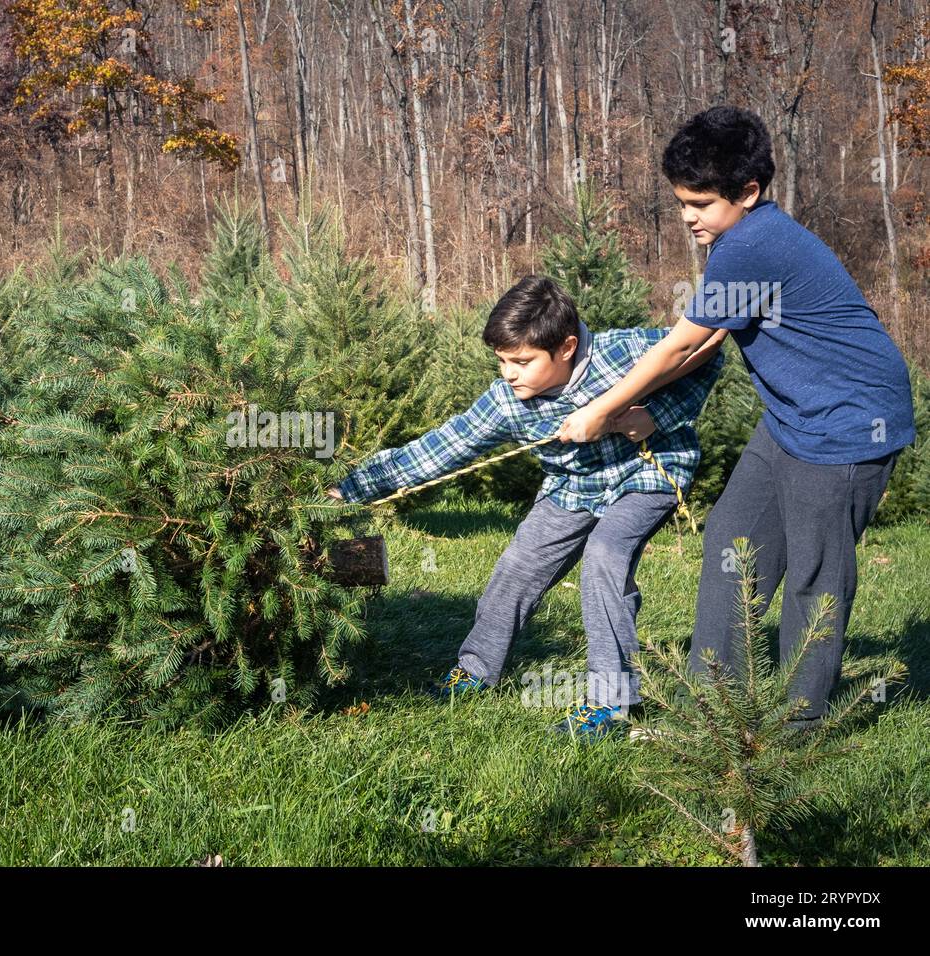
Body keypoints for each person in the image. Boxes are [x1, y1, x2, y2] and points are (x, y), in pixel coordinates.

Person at [555, 106, 916, 729]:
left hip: (848, 425)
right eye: (681, 202)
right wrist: (630, 404)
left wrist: (599, 410)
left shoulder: (753, 246)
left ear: (748, 193)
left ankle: (797, 729)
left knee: (814, 574)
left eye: (699, 203)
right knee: (733, 542)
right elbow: (701, 344)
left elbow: (676, 343)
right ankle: (711, 706)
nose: (687, 217)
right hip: (788, 419)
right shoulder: (737, 241)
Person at [327, 274, 725, 738]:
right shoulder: (507, 401)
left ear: (567, 347)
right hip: (573, 488)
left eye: (521, 361)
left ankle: (612, 705)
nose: (509, 373)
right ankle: (476, 670)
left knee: (605, 556)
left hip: (647, 475)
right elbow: (438, 448)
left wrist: (655, 415)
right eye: (501, 361)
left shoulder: (623, 353)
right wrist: (350, 490)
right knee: (517, 566)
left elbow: (707, 348)